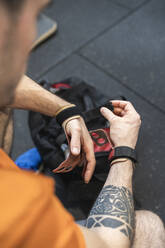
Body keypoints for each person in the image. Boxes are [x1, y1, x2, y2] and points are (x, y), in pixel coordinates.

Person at [0, 0, 164, 247]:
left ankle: (9, 167)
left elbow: (4, 79)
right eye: (36, 16)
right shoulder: (21, 210)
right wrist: (123, 153)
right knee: (149, 226)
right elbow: (107, 244)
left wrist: (65, 111)